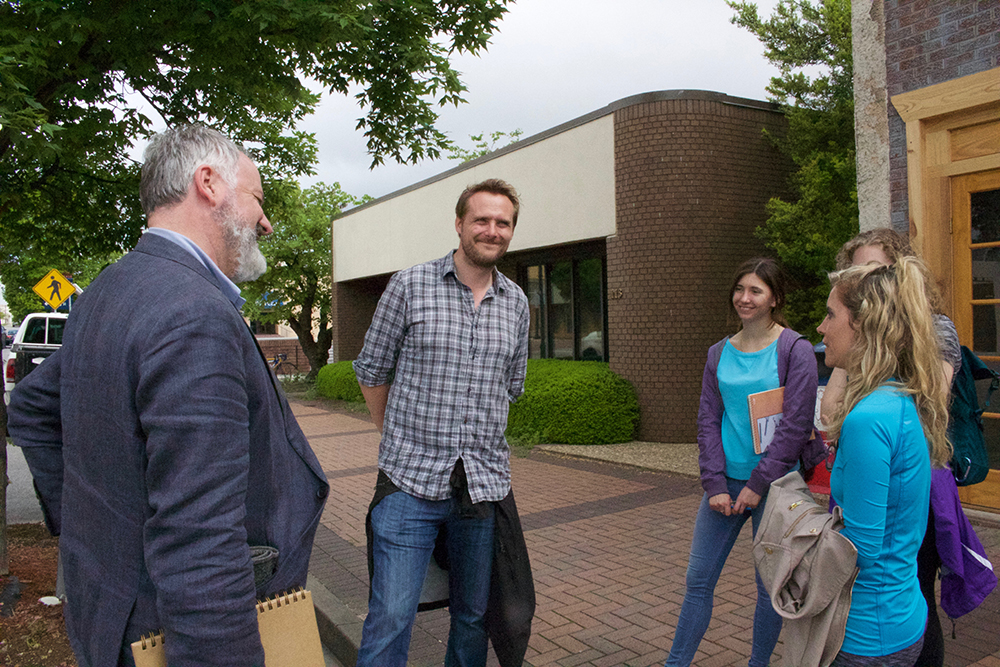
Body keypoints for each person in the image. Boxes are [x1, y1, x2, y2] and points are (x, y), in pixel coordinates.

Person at [6, 124, 329, 667]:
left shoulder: (110, 288)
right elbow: (201, 542)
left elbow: (32, 406)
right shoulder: (194, 313)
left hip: (106, 614)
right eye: (258, 198)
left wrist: (90, 532)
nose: (266, 222)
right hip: (161, 635)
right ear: (209, 183)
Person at [352, 179, 530, 667]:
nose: (492, 230)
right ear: (459, 224)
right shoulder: (410, 285)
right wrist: (394, 437)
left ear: (511, 231)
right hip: (410, 484)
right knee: (391, 616)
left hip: (480, 490)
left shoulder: (516, 303)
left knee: (472, 617)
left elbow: (511, 386)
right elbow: (371, 370)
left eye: (503, 222)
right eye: (482, 220)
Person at [665, 257, 825, 667]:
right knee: (697, 581)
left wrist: (758, 484)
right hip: (726, 486)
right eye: (740, 289)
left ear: (775, 298)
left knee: (767, 587)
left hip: (775, 489)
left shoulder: (796, 349)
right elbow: (708, 420)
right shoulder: (718, 352)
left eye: (756, 290)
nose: (745, 298)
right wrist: (714, 483)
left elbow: (794, 426)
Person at [821, 228, 959, 666]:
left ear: (860, 322)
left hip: (866, 633)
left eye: (830, 315)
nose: (821, 329)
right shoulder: (900, 398)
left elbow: (856, 550)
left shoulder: (868, 418)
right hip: (902, 617)